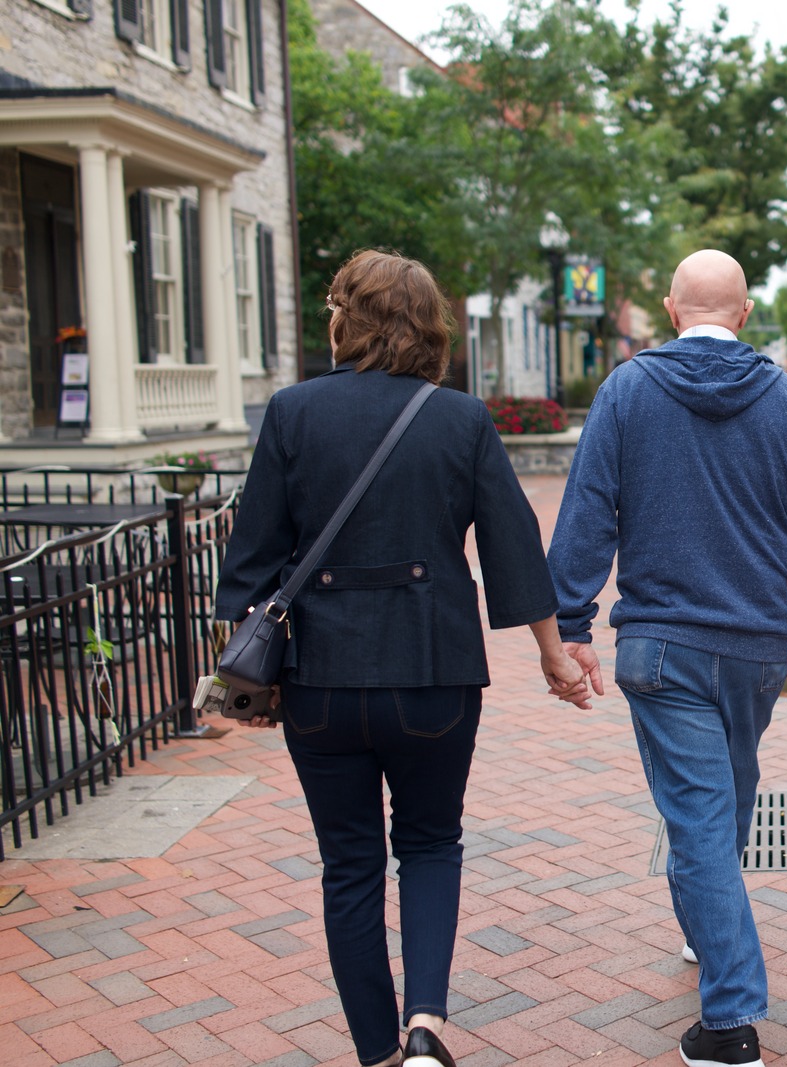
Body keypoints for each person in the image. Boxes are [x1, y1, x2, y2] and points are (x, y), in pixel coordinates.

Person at [215, 250, 591, 1067]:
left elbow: (249, 560)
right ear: (428, 326)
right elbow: (514, 546)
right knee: (428, 843)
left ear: (351, 317)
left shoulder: (291, 412)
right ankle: (427, 1027)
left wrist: (229, 677)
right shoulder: (460, 419)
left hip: (318, 679)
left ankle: (376, 1052)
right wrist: (553, 655)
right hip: (434, 675)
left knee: (347, 864)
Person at [547, 249, 787, 1067]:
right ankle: (714, 949)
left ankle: (729, 1026)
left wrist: (570, 620)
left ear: (675, 312)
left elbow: (587, 509)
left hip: (662, 645)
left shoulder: (628, 390)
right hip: (756, 648)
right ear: (744, 315)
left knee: (707, 817)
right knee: (719, 805)